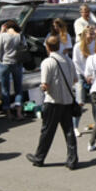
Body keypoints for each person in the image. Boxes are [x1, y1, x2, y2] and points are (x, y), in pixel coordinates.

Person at [26, 36, 78, 169]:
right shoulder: (68, 60)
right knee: (69, 131)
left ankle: (39, 157)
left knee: (47, 131)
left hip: (53, 101)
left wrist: (40, 88)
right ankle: (72, 159)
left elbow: (45, 85)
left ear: (47, 47)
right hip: (67, 100)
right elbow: (75, 80)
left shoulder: (47, 62)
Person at [0, 20, 25, 120]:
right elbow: (25, 47)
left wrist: (0, 58)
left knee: (5, 88)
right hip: (17, 63)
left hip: (4, 63)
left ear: (6, 27)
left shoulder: (3, 36)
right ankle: (19, 112)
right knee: (18, 88)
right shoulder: (20, 36)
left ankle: (8, 112)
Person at [72, 27, 96, 136]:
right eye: (90, 34)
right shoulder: (78, 46)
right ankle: (75, 127)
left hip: (93, 76)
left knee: (95, 101)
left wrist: (93, 75)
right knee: (80, 101)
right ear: (85, 34)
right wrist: (85, 75)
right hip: (80, 74)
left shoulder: (95, 44)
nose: (92, 36)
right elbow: (76, 62)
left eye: (93, 34)